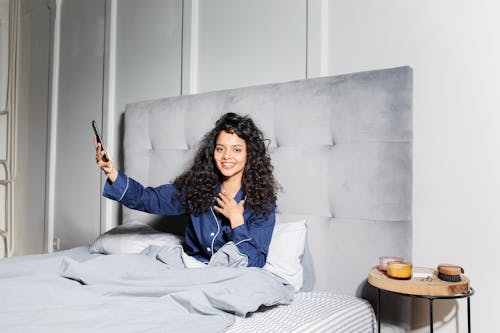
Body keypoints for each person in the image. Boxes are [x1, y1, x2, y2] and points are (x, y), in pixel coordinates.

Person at [95, 112, 279, 267]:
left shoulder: (262, 204)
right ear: (212, 152)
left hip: (233, 279)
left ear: (250, 155)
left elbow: (256, 262)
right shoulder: (197, 189)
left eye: (237, 150)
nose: (227, 156)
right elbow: (147, 198)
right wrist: (111, 172)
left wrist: (237, 222)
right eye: (220, 149)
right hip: (192, 270)